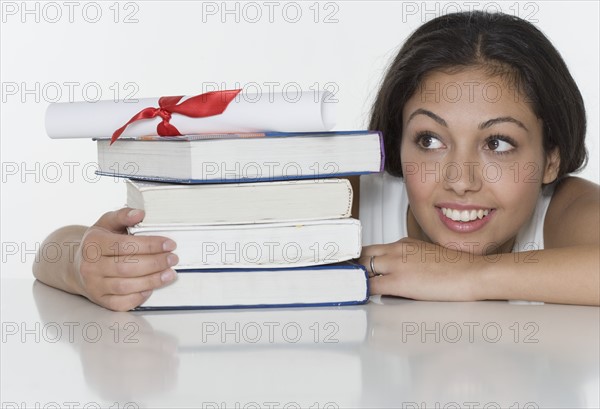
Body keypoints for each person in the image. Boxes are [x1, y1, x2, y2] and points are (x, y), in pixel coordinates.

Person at [33, 11, 599, 310]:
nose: (460, 180)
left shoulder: (561, 210)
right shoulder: (347, 198)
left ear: (550, 159)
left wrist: (470, 276)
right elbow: (50, 250)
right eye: (429, 140)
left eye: (499, 143)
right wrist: (85, 262)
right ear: (394, 144)